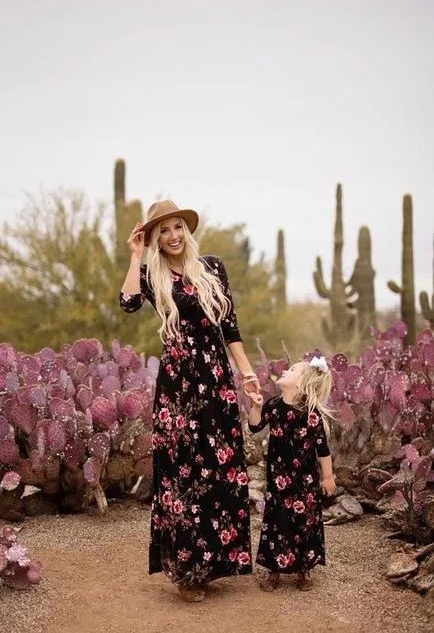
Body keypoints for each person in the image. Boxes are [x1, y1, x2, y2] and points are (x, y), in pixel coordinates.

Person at [119, 200, 260, 603]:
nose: (173, 235)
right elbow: (127, 303)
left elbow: (230, 327)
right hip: (178, 387)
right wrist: (136, 255)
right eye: (163, 231)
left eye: (177, 227)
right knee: (182, 477)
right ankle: (187, 571)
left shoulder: (212, 267)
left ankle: (216, 562)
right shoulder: (151, 274)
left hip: (215, 380)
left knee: (220, 466)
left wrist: (247, 374)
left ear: (187, 229)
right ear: (155, 238)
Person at [246, 355, 336, 592]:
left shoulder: (311, 413)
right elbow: (254, 426)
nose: (285, 370)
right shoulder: (273, 406)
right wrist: (255, 406)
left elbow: (322, 449)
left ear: (303, 382)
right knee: (277, 522)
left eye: (293, 369)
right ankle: (273, 570)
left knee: (305, 523)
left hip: (304, 483)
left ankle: (303, 569)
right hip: (278, 480)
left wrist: (328, 477)